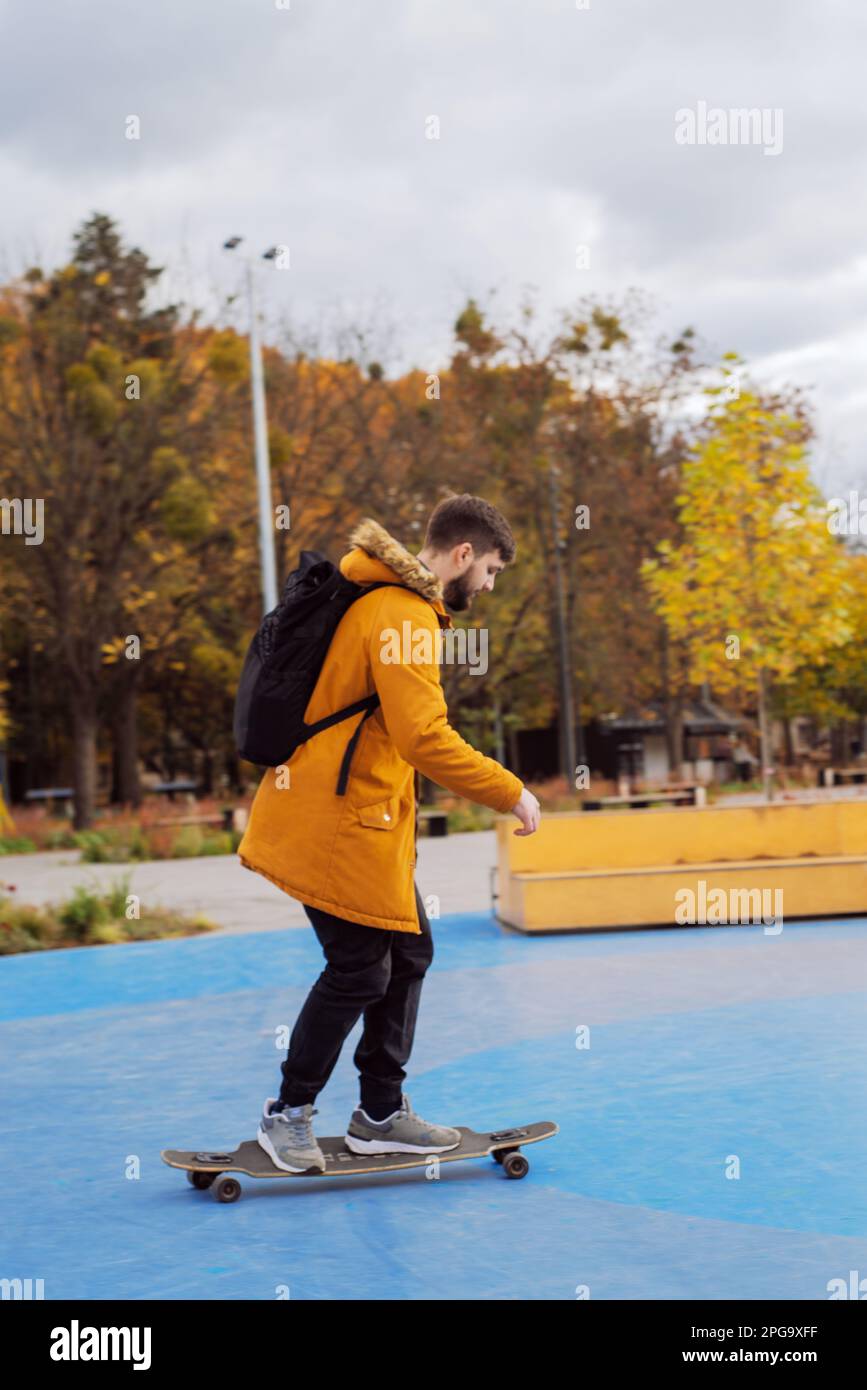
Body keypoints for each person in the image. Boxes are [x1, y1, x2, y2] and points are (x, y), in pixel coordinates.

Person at [238, 494, 541, 1172]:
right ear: (461, 555)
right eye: (490, 570)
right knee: (359, 968)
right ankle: (286, 1114)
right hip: (333, 822)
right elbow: (422, 737)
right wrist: (509, 790)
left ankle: (379, 1113)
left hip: (362, 820)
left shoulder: (381, 601)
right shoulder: (403, 613)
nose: (488, 585)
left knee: (406, 954)